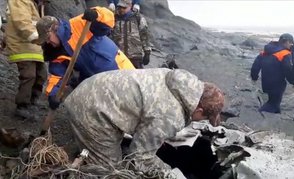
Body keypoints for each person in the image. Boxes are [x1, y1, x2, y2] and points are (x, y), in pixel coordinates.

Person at [64, 68, 225, 176]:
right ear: (199, 111)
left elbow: (147, 110)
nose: (202, 121)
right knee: (110, 171)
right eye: (205, 119)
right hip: (91, 110)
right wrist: (170, 173)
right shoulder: (170, 115)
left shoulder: (182, 83)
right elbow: (138, 158)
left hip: (95, 89)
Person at [35, 7, 135, 110]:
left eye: (48, 38)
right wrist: (53, 94)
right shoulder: (55, 52)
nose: (47, 42)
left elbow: (108, 20)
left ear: (55, 29)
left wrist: (97, 14)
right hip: (97, 82)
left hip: (118, 68)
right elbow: (57, 76)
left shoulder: (79, 24)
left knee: (132, 102)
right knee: (111, 110)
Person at [6, 0, 47, 119]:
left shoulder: (33, 3)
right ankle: (22, 106)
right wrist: (35, 37)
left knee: (42, 74)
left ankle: (33, 99)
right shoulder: (19, 1)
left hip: (34, 46)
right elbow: (21, 22)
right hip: (22, 44)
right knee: (29, 75)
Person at [251, 33, 294, 114]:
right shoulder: (285, 53)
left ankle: (277, 113)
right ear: (286, 42)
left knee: (273, 100)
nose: (291, 45)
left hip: (265, 83)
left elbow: (256, 65)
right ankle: (258, 114)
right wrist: (293, 82)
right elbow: (288, 70)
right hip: (277, 84)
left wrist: (254, 77)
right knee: (273, 103)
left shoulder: (266, 51)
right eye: (290, 43)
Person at [111, 0, 151, 69]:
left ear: (130, 6)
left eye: (124, 7)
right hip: (119, 56)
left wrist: (147, 53)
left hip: (135, 57)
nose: (121, 9)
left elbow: (144, 35)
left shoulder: (138, 18)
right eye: (120, 7)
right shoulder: (114, 18)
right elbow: (109, 35)